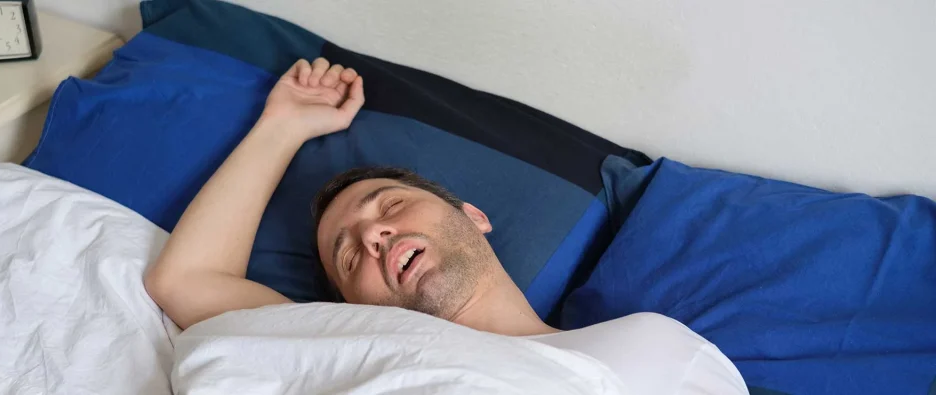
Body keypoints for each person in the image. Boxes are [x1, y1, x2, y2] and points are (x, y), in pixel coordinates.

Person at [144, 58, 748, 394]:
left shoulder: (644, 343)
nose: (371, 236)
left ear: (474, 216)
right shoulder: (344, 338)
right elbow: (189, 278)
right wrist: (282, 126)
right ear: (353, 304)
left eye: (388, 207)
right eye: (348, 257)